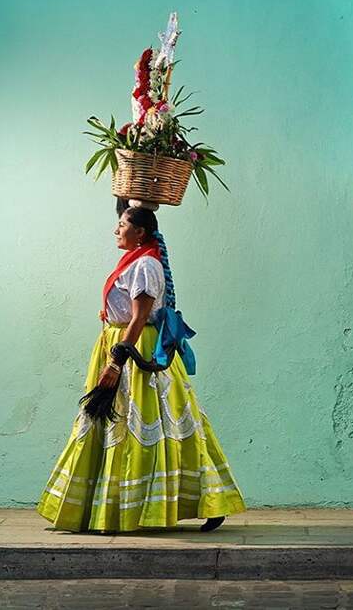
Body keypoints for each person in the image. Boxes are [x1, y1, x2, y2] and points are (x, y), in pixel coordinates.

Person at [36, 201, 247, 533]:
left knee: (154, 423)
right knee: (121, 425)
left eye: (122, 223)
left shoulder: (146, 265)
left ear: (140, 232)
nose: (116, 229)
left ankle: (204, 501)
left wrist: (117, 361)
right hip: (120, 343)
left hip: (137, 353)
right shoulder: (138, 259)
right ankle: (111, 507)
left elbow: (139, 318)